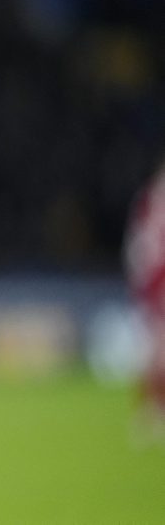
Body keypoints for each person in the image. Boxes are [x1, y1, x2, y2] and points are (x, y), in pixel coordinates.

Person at [124, 159, 165, 443]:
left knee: (155, 353)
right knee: (154, 354)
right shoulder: (151, 205)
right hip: (154, 289)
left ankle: (151, 413)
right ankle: (149, 412)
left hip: (151, 287)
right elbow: (140, 252)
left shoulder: (148, 204)